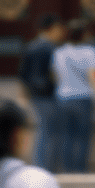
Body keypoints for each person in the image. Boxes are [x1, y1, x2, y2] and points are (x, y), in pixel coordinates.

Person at [16, 14, 66, 172]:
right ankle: (45, 167)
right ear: (51, 29)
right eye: (58, 28)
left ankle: (42, 166)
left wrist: (24, 94)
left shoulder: (30, 46)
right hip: (49, 95)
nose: (61, 32)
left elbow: (22, 73)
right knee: (48, 132)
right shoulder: (52, 48)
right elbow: (56, 73)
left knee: (44, 130)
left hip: (35, 95)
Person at [51, 20, 95, 173]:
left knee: (67, 135)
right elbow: (93, 77)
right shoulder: (90, 52)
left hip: (63, 97)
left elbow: (56, 75)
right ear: (84, 35)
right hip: (83, 97)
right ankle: (80, 169)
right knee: (83, 137)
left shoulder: (59, 52)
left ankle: (67, 168)